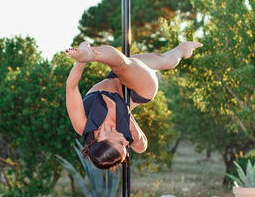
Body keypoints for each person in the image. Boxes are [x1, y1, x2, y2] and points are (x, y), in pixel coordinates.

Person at [65, 41, 202, 169]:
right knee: (124, 65)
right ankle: (90, 54)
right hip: (139, 91)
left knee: (163, 60)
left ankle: (182, 49)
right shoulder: (125, 132)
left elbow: (71, 87)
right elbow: (141, 147)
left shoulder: (83, 125)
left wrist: (81, 62)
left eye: (120, 144)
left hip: (118, 74)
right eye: (125, 146)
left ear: (101, 140)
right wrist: (134, 129)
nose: (126, 142)